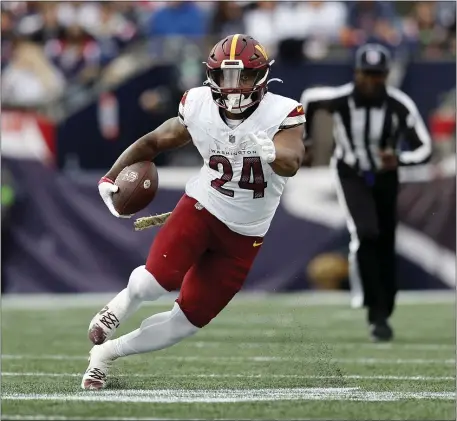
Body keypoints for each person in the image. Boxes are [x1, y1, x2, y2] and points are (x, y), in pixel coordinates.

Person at [82, 34, 306, 389]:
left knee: (185, 322)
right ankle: (118, 307)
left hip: (245, 234)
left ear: (262, 76)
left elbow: (292, 162)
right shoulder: (198, 103)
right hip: (202, 206)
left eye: (244, 77)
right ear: (210, 76)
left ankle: (105, 355)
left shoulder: (282, 112)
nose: (234, 87)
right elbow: (154, 141)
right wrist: (110, 177)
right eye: (226, 77)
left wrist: (272, 154)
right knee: (157, 280)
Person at [300, 43, 431, 342]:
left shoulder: (399, 105)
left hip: (386, 175)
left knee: (385, 240)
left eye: (377, 75)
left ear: (386, 75)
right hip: (351, 173)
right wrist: (304, 140)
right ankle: (375, 310)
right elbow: (309, 99)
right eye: (366, 74)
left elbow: (425, 147)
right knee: (366, 233)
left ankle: (384, 304)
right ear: (356, 73)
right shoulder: (340, 99)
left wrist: (400, 158)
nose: (371, 81)